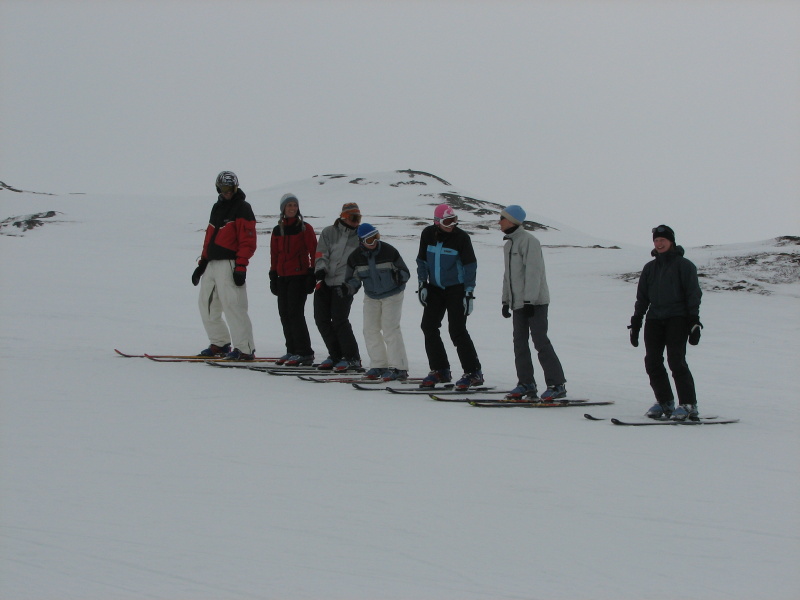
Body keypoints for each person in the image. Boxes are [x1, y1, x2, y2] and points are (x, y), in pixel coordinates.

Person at [628, 225, 703, 421]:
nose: (659, 244)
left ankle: (688, 404)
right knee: (652, 361)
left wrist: (694, 322)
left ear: (671, 242)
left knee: (676, 361)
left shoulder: (684, 266)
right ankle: (665, 401)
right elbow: (642, 297)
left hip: (677, 318)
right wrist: (636, 322)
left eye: (662, 240)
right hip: (654, 319)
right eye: (656, 241)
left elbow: (693, 295)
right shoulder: (650, 268)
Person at [499, 205, 567, 401]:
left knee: (540, 341)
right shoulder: (509, 244)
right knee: (519, 344)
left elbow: (534, 273)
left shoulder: (529, 241)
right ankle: (526, 383)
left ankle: (557, 384)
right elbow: (508, 276)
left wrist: (529, 300)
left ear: (512, 220)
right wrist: (506, 300)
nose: (499, 222)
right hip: (518, 303)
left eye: (502, 218)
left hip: (535, 302)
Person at [191, 171, 257, 360]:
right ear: (218, 188)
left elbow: (248, 241)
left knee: (234, 305)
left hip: (230, 263)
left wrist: (241, 266)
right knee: (207, 304)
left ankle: (245, 348)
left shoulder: (243, 208)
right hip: (212, 263)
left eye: (230, 188)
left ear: (235, 187)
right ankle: (220, 343)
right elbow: (209, 237)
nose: (227, 192)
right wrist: (202, 264)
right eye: (223, 188)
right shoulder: (217, 207)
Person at [416, 203, 483, 389]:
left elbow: (470, 266)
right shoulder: (427, 234)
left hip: (456, 289)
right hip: (435, 289)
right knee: (428, 326)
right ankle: (440, 369)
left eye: (454, 220)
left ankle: (473, 372)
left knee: (457, 330)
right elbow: (421, 260)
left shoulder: (461, 237)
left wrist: (469, 292)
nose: (452, 224)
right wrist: (422, 283)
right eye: (448, 221)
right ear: (437, 222)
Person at [344, 223, 411, 381]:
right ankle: (379, 365)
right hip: (372, 296)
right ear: (361, 241)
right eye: (369, 239)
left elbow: (405, 271)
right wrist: (350, 287)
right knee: (370, 329)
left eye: (376, 237)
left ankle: (399, 368)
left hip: (393, 294)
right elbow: (351, 278)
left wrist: (399, 277)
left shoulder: (389, 251)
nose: (374, 242)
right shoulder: (355, 257)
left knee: (390, 329)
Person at [313, 202, 362, 372]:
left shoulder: (360, 237)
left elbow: (360, 264)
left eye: (359, 218)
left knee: (340, 320)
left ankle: (352, 357)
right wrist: (320, 270)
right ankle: (335, 355)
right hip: (325, 281)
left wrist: (352, 284)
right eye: (353, 218)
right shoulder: (328, 232)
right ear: (344, 217)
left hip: (344, 284)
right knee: (321, 320)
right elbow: (321, 253)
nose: (356, 222)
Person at [269, 193, 317, 366]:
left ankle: (304, 352)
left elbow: (314, 251)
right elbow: (274, 254)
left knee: (295, 314)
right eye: (289, 205)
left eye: (294, 205)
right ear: (283, 208)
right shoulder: (277, 230)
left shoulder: (304, 228)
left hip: (299, 276)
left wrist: (312, 274)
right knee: (284, 314)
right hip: (282, 277)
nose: (292, 208)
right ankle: (292, 350)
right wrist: (273, 275)